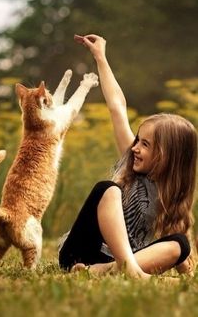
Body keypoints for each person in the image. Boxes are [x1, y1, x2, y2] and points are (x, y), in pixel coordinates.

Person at [58, 34, 198, 279]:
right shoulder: (130, 163)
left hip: (114, 261)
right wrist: (100, 55)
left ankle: (108, 271)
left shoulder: (173, 195)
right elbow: (117, 106)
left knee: (180, 244)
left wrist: (183, 262)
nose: (135, 148)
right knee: (108, 189)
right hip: (80, 252)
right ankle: (129, 269)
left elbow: (182, 254)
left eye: (145, 144)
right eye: (137, 141)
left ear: (167, 157)